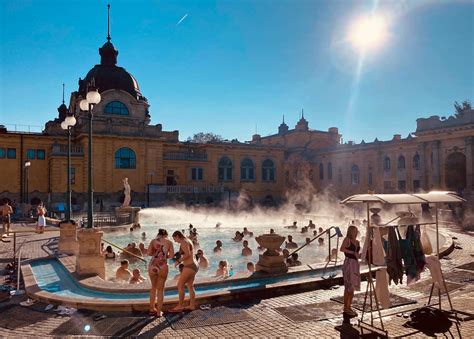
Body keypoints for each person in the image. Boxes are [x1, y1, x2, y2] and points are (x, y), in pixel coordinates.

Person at [147, 228, 174, 317]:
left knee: (153, 287)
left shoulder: (153, 241)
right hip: (162, 265)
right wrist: (164, 255)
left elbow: (149, 253)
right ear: (166, 234)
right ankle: (158, 312)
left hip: (152, 265)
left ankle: (151, 308)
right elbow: (172, 256)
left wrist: (156, 253)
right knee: (161, 289)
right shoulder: (169, 242)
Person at [169, 230, 198, 312]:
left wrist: (178, 261)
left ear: (178, 236)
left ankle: (180, 306)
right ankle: (192, 305)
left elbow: (187, 254)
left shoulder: (184, 242)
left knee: (180, 285)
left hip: (189, 266)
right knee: (190, 286)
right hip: (194, 265)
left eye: (175, 239)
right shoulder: (188, 240)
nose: (175, 241)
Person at [340, 225, 361, 317]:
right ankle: (346, 307)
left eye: (357, 231)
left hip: (355, 264)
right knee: (349, 286)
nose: (356, 232)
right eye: (355, 231)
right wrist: (353, 252)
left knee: (352, 287)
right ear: (351, 231)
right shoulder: (347, 239)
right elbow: (342, 249)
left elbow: (358, 254)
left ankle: (349, 306)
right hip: (349, 264)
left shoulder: (357, 241)